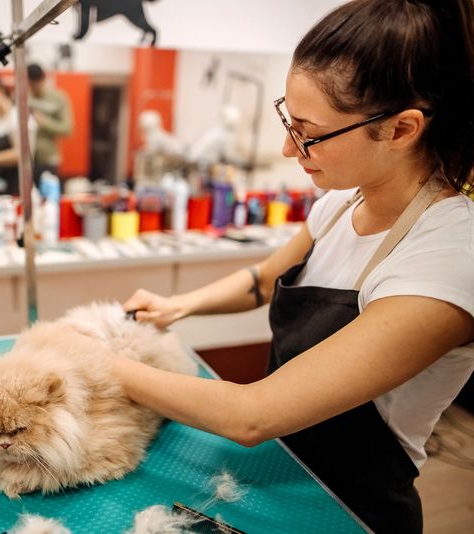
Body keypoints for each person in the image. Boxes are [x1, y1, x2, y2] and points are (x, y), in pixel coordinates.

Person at [118, 1, 474, 532]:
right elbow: (262, 281)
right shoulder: (342, 204)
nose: (289, 148)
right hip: (280, 473)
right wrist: (178, 306)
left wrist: (97, 364)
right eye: (289, 119)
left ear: (402, 129)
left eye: (308, 132)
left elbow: (251, 415)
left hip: (352, 511)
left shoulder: (448, 255)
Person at [27, 63, 72, 184]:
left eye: (36, 83)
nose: (34, 87)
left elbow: (67, 129)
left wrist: (45, 122)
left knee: (49, 194)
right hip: (26, 160)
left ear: (43, 79)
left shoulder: (58, 98)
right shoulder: (23, 98)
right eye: (31, 84)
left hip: (48, 160)